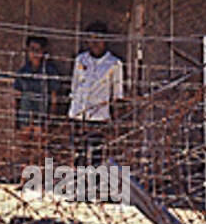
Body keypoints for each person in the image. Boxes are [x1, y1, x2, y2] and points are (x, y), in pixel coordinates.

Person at [68, 20, 124, 167]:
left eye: (98, 39)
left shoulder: (114, 64)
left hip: (99, 116)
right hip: (78, 113)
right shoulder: (81, 59)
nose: (95, 43)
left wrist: (114, 118)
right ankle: (78, 184)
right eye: (91, 39)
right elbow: (74, 86)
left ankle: (94, 186)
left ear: (105, 40)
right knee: (78, 152)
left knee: (96, 154)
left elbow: (117, 94)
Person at [13, 35, 61, 173]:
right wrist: (16, 117)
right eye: (32, 49)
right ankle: (25, 177)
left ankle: (41, 178)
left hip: (41, 111)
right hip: (26, 112)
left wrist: (51, 117)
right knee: (25, 147)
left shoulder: (49, 72)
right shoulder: (23, 72)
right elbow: (17, 96)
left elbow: (54, 97)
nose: (34, 53)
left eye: (38, 49)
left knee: (41, 147)